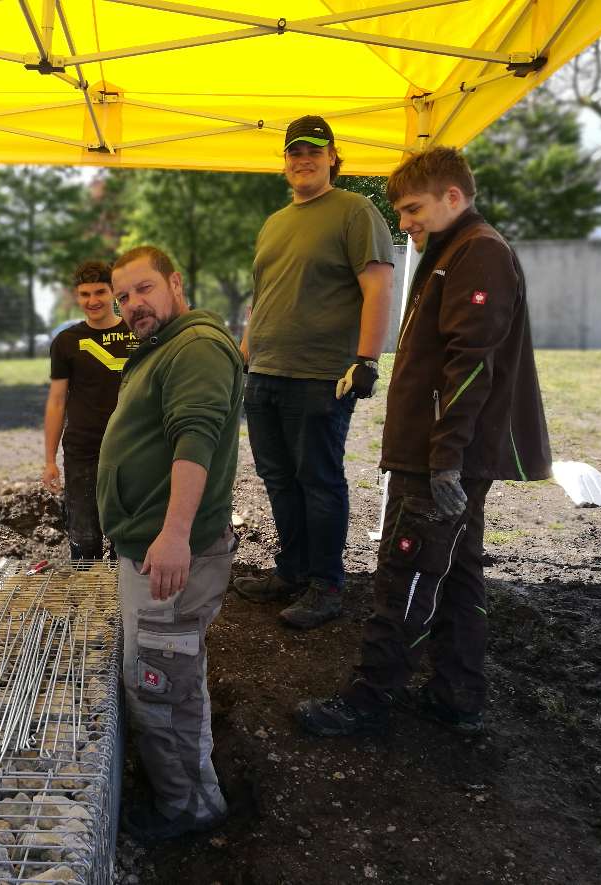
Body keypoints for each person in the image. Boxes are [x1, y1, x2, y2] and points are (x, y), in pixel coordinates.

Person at [297, 146, 551, 737]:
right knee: (457, 575)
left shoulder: (479, 254)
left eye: (412, 208)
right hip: (443, 453)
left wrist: (445, 462)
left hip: (443, 460)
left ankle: (369, 698)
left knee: (404, 572)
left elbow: (471, 366)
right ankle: (457, 696)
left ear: (452, 198)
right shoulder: (451, 250)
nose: (404, 222)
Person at [98, 245, 244, 840]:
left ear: (175, 282)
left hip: (171, 558)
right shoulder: (169, 346)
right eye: (123, 297)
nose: (133, 304)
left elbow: (196, 437)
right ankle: (191, 794)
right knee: (172, 672)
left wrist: (175, 533)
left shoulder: (195, 348)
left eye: (143, 289)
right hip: (156, 550)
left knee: (159, 683)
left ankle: (188, 808)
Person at [235, 114, 395, 630]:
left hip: (320, 376)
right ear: (284, 162)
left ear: (331, 157)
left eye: (313, 150)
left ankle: (326, 585)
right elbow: (262, 298)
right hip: (265, 372)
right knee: (278, 478)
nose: (302, 159)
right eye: (294, 152)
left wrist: (367, 359)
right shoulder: (274, 221)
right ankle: (292, 570)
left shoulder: (355, 211)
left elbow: (377, 286)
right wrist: (241, 355)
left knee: (318, 481)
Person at [42, 261, 137, 560]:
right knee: (83, 532)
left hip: (133, 446)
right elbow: (57, 400)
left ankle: (127, 598)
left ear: (113, 293)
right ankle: (86, 596)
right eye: (85, 294)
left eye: (100, 291)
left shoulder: (139, 332)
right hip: (83, 447)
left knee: (131, 531)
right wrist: (49, 460)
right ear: (76, 296)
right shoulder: (66, 342)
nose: (92, 301)